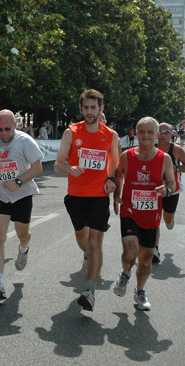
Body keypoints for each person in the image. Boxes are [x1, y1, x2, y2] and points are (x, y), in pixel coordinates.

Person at [54, 89, 119, 312]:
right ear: (81, 109)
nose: (89, 112)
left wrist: (111, 178)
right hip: (76, 197)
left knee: (95, 242)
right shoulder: (71, 132)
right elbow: (58, 164)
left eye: (94, 108)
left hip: (99, 197)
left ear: (101, 109)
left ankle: (90, 291)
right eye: (86, 108)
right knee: (83, 239)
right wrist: (69, 167)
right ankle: (87, 256)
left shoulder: (110, 135)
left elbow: (115, 163)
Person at [0, 109, 43, 301]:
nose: (4, 133)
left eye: (8, 129)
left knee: (22, 233)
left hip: (22, 194)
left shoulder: (25, 141)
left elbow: (38, 167)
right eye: (0, 129)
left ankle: (24, 247)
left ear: (16, 125)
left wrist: (18, 182)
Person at [112, 117, 175, 311]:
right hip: (130, 210)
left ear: (157, 135)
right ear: (136, 133)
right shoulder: (127, 156)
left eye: (150, 132)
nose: (146, 135)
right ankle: (124, 274)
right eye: (142, 131)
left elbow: (172, 183)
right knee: (131, 250)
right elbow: (118, 175)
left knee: (146, 259)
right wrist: (117, 196)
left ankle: (140, 291)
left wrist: (167, 190)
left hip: (151, 215)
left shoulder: (164, 159)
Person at [152, 122, 185, 263]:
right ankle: (154, 249)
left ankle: (171, 220)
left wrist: (176, 169)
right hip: (154, 190)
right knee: (154, 219)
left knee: (167, 221)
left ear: (171, 134)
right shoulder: (151, 148)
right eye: (160, 132)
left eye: (166, 132)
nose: (162, 135)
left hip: (172, 190)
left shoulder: (176, 150)